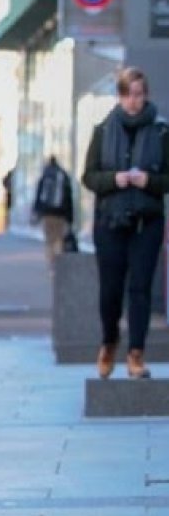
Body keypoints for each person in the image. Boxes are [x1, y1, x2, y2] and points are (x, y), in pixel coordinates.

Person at [82, 66, 169, 380]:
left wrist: (150, 181)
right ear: (119, 96)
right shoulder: (103, 130)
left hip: (147, 223)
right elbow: (88, 176)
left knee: (140, 289)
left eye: (140, 94)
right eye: (129, 94)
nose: (135, 101)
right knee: (110, 291)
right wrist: (114, 179)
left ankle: (136, 354)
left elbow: (167, 179)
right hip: (110, 221)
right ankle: (109, 342)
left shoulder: (161, 132)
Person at [32, 156, 74, 269]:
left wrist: (37, 212)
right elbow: (68, 198)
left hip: (47, 214)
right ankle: (58, 264)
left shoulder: (45, 176)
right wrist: (70, 218)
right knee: (59, 239)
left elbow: (39, 195)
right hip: (61, 214)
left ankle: (51, 263)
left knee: (49, 240)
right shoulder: (63, 175)